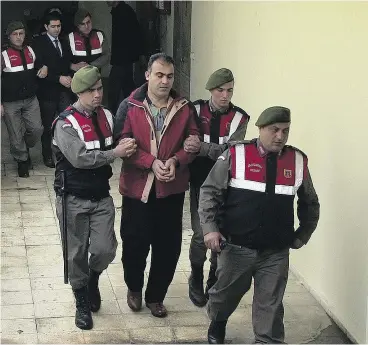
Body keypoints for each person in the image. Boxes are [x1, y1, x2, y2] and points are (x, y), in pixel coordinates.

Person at [198, 106, 320, 344]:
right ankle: (218, 321)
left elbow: (310, 202)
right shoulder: (236, 154)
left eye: (285, 131)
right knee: (224, 296)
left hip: (275, 252)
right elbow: (209, 192)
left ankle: (267, 339)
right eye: (274, 130)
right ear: (261, 129)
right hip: (235, 248)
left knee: (270, 308)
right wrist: (210, 228)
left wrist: (302, 234)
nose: (280, 136)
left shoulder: (297, 160)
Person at [114, 53, 200, 318]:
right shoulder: (129, 106)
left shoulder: (185, 108)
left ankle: (156, 297)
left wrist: (177, 159)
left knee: (168, 246)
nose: (165, 81)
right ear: (147, 75)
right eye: (159, 75)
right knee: (134, 243)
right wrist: (150, 162)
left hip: (170, 189)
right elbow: (122, 143)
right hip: (137, 189)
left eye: (169, 76)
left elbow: (193, 140)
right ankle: (134, 288)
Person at [52, 65, 137, 330]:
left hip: (100, 196)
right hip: (72, 197)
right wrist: (115, 154)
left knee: (105, 249)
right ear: (79, 92)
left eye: (99, 88)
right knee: (76, 253)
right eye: (91, 90)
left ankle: (93, 280)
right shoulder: (65, 124)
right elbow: (80, 158)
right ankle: (81, 301)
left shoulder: (108, 116)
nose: (97, 94)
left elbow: (123, 138)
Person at [184, 68, 250, 307]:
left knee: (220, 232)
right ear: (211, 90)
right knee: (201, 233)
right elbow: (186, 142)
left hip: (227, 182)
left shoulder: (240, 118)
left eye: (230, 90)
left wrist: (202, 147)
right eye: (220, 90)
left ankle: (213, 276)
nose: (225, 95)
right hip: (199, 179)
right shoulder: (195, 109)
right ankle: (196, 276)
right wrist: (202, 148)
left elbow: (232, 153)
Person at [1, 21, 44, 177]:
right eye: (15, 34)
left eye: (21, 33)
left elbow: (40, 64)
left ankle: (23, 148)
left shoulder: (31, 50)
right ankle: (22, 161)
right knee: (15, 134)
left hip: (30, 99)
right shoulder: (3, 54)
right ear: (9, 36)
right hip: (10, 102)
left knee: (37, 129)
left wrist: (43, 67)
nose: (19, 37)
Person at [32, 12, 73, 168]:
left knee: (66, 123)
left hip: (64, 90)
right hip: (47, 91)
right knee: (47, 126)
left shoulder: (63, 41)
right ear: (46, 27)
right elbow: (40, 71)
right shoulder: (39, 43)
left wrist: (69, 75)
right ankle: (47, 155)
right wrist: (58, 78)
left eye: (59, 26)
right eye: (53, 26)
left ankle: (65, 153)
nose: (56, 29)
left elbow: (67, 62)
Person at [106, 1, 145, 115]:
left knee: (114, 88)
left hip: (123, 59)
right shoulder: (120, 11)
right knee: (127, 86)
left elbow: (135, 34)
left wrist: (138, 55)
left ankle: (112, 115)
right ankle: (134, 112)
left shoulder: (124, 12)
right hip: (123, 58)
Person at [68, 8, 110, 75]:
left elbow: (107, 55)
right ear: (77, 25)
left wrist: (90, 66)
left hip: (95, 77)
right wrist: (72, 66)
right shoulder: (70, 37)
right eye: (82, 24)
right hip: (76, 78)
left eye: (88, 22)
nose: (86, 26)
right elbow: (62, 59)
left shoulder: (100, 35)